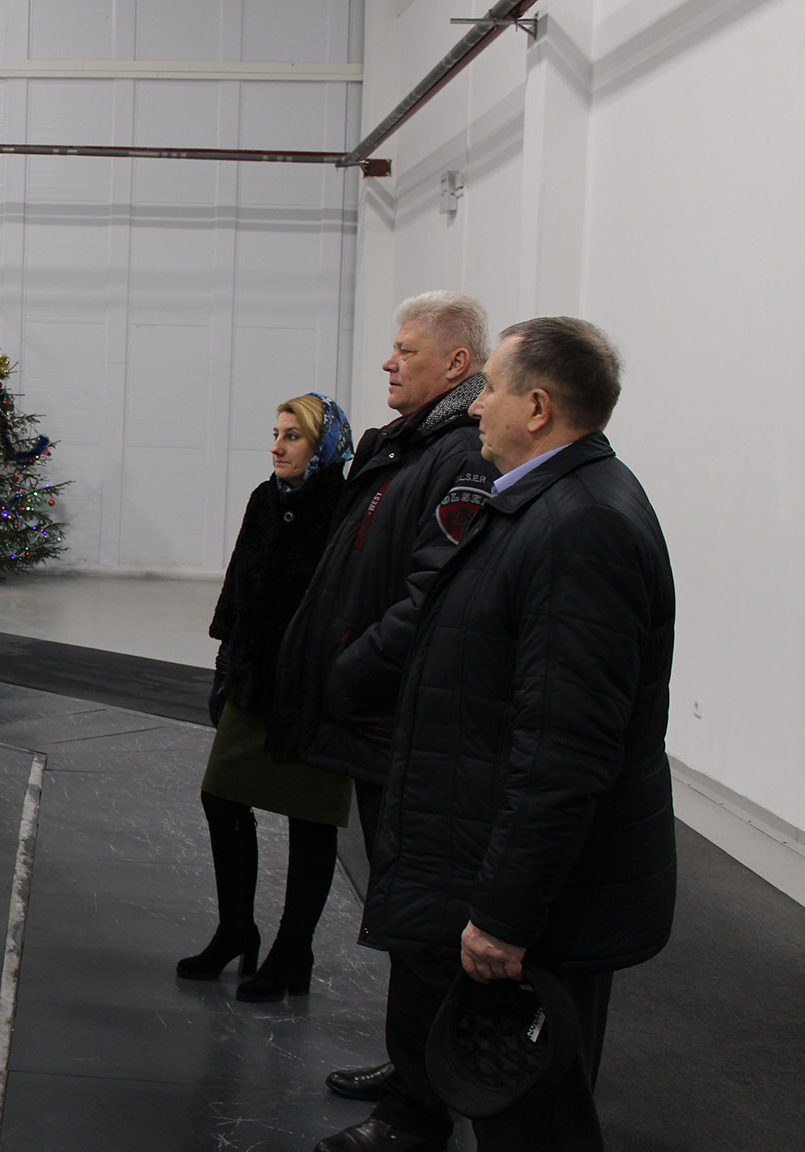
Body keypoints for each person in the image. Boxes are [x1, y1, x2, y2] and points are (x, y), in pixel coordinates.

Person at [314, 317, 675, 1152]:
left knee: (532, 1118)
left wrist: (505, 917)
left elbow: (565, 751)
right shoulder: (545, 503)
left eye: (494, 391)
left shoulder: (581, 526)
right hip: (498, 864)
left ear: (539, 407)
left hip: (544, 911)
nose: (478, 408)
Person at [269, 291, 498, 1099]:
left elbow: (429, 594)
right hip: (375, 718)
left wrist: (349, 670)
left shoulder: (460, 458)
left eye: (407, 351)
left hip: (395, 720)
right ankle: (415, 1071)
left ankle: (423, 1096)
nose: (388, 363)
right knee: (402, 904)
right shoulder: (406, 446)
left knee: (421, 912)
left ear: (456, 363)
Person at [179, 394, 355, 1003]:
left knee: (311, 818)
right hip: (254, 681)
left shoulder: (347, 507)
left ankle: (292, 952)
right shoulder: (265, 499)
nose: (277, 447)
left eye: (292, 436)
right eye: (276, 434)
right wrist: (225, 665)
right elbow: (238, 586)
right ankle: (236, 930)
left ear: (323, 446)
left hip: (314, 691)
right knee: (221, 795)